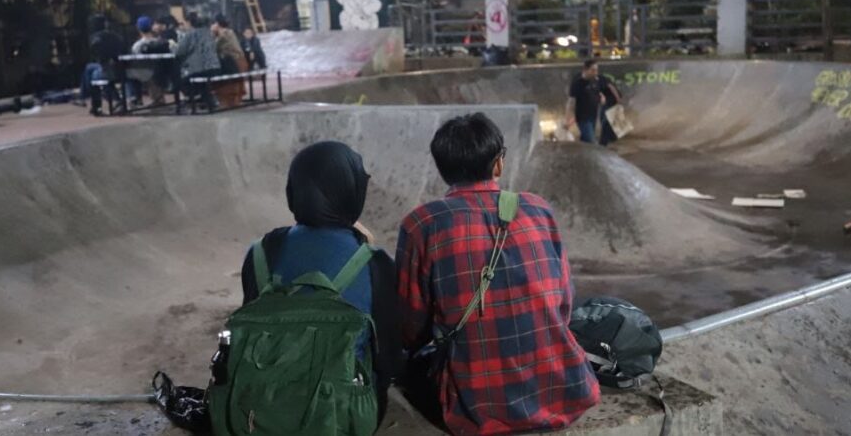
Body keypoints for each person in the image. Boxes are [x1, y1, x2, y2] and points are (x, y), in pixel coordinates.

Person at [396, 113, 600, 435]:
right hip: (565, 392)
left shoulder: (422, 224)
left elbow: (411, 328)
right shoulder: (538, 209)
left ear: (442, 168)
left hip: (475, 409)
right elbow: (563, 304)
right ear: (498, 164)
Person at [239, 141, 401, 422]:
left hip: (264, 409)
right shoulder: (376, 263)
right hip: (342, 416)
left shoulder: (260, 253)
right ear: (353, 193)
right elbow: (388, 359)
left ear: (292, 193)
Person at [174, 13, 221, 110]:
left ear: (190, 23)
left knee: (181, 80)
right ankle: (207, 101)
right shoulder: (209, 33)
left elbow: (180, 51)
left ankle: (193, 100)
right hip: (215, 67)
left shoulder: (190, 35)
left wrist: (173, 47)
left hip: (200, 68)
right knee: (201, 82)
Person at [79, 15, 125, 115]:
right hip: (119, 67)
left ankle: (93, 102)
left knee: (93, 76)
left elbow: (97, 53)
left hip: (110, 68)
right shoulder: (115, 35)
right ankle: (87, 100)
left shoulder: (97, 37)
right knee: (89, 68)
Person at [566, 59, 613, 144]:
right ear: (585, 70)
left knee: (586, 141)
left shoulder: (595, 80)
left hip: (593, 115)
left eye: (596, 70)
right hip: (583, 118)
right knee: (591, 141)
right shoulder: (577, 83)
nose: (595, 73)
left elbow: (598, 92)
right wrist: (568, 119)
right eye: (593, 70)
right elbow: (571, 102)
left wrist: (602, 97)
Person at [212, 14, 248, 106]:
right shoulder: (229, 32)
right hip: (240, 59)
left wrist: (213, 33)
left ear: (217, 24)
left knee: (229, 84)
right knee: (235, 83)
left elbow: (214, 47)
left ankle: (230, 102)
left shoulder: (223, 34)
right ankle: (234, 101)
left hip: (233, 61)